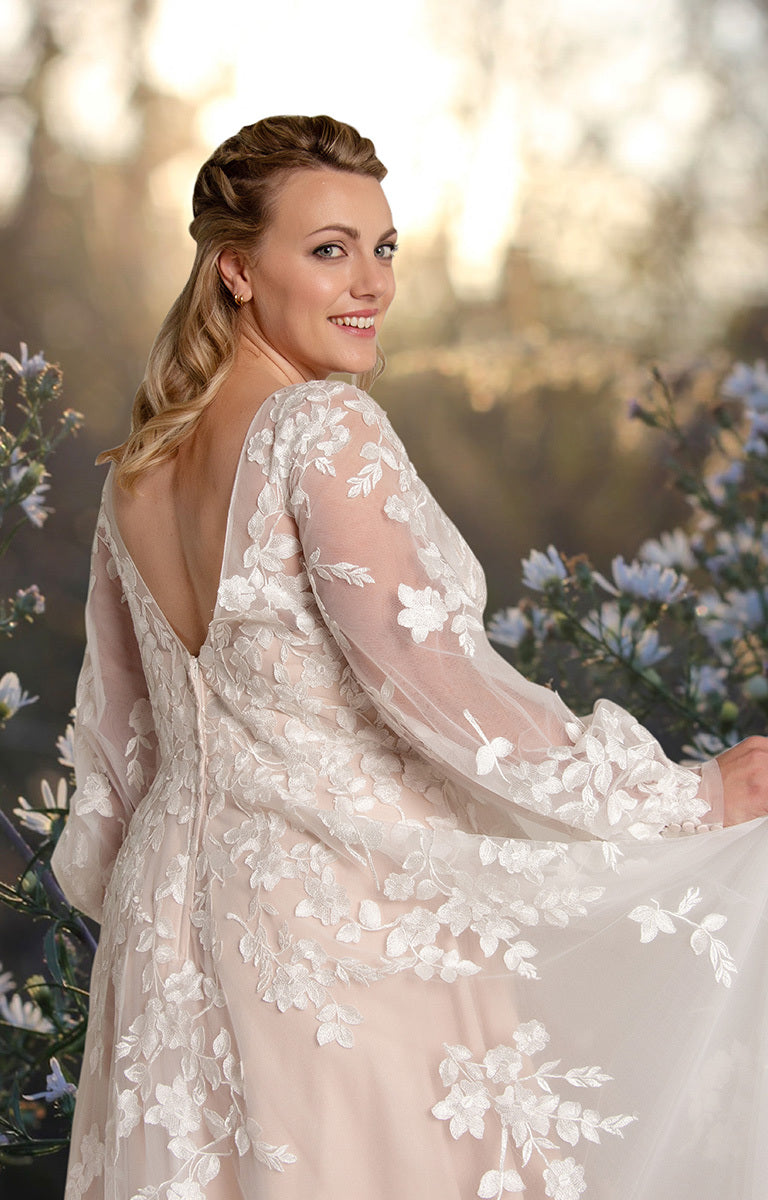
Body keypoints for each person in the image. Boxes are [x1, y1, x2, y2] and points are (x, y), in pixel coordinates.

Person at [51, 115, 768, 1200]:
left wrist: (164, 904)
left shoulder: (138, 472)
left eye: (382, 248)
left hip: (168, 927)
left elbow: (119, 745)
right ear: (236, 269)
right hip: (347, 919)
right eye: (328, 249)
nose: (372, 284)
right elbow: (434, 685)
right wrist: (684, 799)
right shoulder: (320, 429)